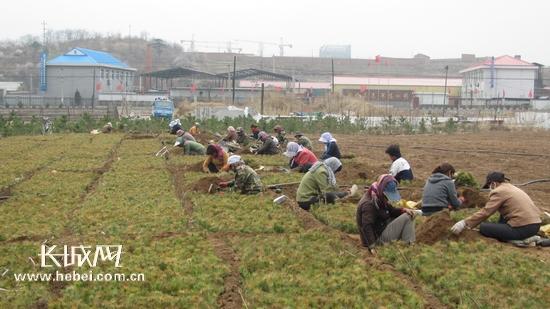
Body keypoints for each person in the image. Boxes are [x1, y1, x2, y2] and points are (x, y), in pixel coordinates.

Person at [451, 172, 542, 242]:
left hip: (522, 228)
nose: (489, 188)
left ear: (493, 184)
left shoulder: (499, 191)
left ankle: (521, 241)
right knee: (502, 217)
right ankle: (523, 237)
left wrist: (465, 222)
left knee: (484, 227)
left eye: (489, 186)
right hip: (535, 225)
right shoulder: (511, 188)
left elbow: (486, 212)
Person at [356, 174, 422, 253]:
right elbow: (367, 226)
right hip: (377, 239)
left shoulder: (378, 196)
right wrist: (372, 247)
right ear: (382, 190)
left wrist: (403, 210)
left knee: (409, 213)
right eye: (387, 196)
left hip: (382, 228)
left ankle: (407, 244)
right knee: (408, 217)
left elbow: (391, 211)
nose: (388, 199)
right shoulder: (369, 204)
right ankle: (409, 246)